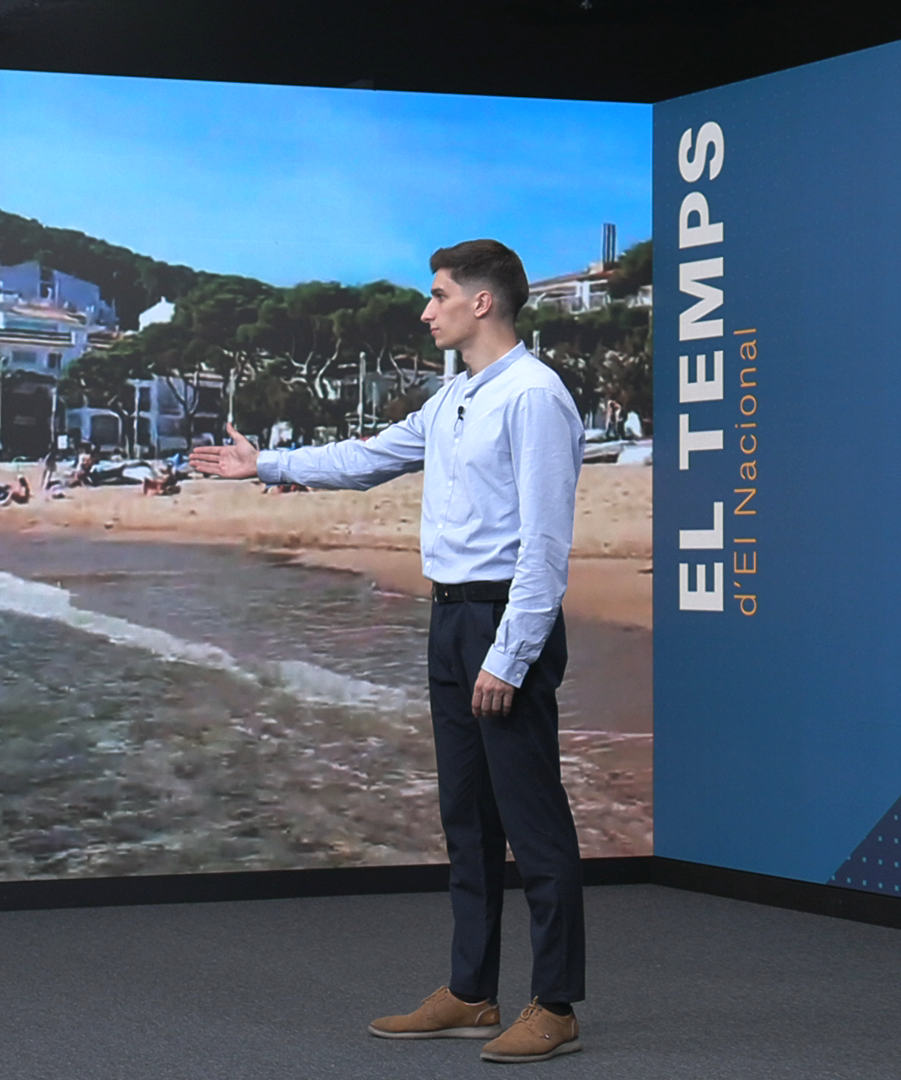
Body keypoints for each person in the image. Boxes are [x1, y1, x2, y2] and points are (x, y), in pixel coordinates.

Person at [191, 239, 586, 1065]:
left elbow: (546, 551)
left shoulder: (535, 396)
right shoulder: (453, 399)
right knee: (466, 823)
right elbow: (368, 458)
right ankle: (472, 993)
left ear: (482, 302)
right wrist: (264, 462)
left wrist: (508, 658)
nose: (424, 308)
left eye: (438, 293)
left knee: (533, 823)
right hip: (448, 621)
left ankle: (554, 1004)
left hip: (501, 623)